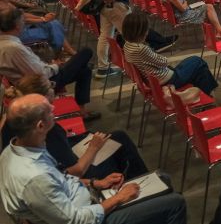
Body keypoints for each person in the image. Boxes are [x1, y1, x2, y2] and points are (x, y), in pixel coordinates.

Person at [0, 94, 187, 224]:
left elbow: (61, 179)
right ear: (41, 126)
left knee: (162, 178)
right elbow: (75, 220)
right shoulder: (35, 178)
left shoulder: (14, 149)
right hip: (91, 214)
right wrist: (118, 199)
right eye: (50, 110)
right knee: (175, 202)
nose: (55, 108)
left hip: (87, 198)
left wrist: (95, 182)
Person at [2, 74, 148, 180]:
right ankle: (143, 185)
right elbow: (75, 171)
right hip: (77, 176)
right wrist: (93, 147)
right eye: (51, 86)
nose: (54, 88)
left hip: (59, 165)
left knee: (116, 136)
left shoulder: (13, 117)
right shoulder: (48, 129)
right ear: (44, 97)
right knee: (120, 143)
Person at [0, 7, 99, 121]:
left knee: (84, 71)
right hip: (41, 84)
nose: (24, 24)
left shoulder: (7, 43)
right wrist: (56, 66)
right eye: (23, 22)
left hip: (32, 80)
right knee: (86, 52)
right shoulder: (13, 48)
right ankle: (81, 111)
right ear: (17, 26)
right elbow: (40, 73)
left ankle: (82, 111)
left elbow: (34, 67)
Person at [122, 12, 218, 95]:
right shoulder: (141, 49)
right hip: (167, 80)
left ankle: (208, 93)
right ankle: (210, 92)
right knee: (198, 62)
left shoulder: (127, 45)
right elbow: (164, 62)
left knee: (198, 68)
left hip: (155, 79)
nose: (147, 33)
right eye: (147, 30)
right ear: (141, 32)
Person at [0, 0, 76, 56]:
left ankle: (58, 51)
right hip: (16, 35)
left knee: (53, 23)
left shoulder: (8, 3)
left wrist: (42, 17)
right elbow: (23, 20)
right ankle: (58, 52)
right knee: (53, 28)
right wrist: (43, 19)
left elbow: (23, 15)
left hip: (21, 29)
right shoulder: (2, 7)